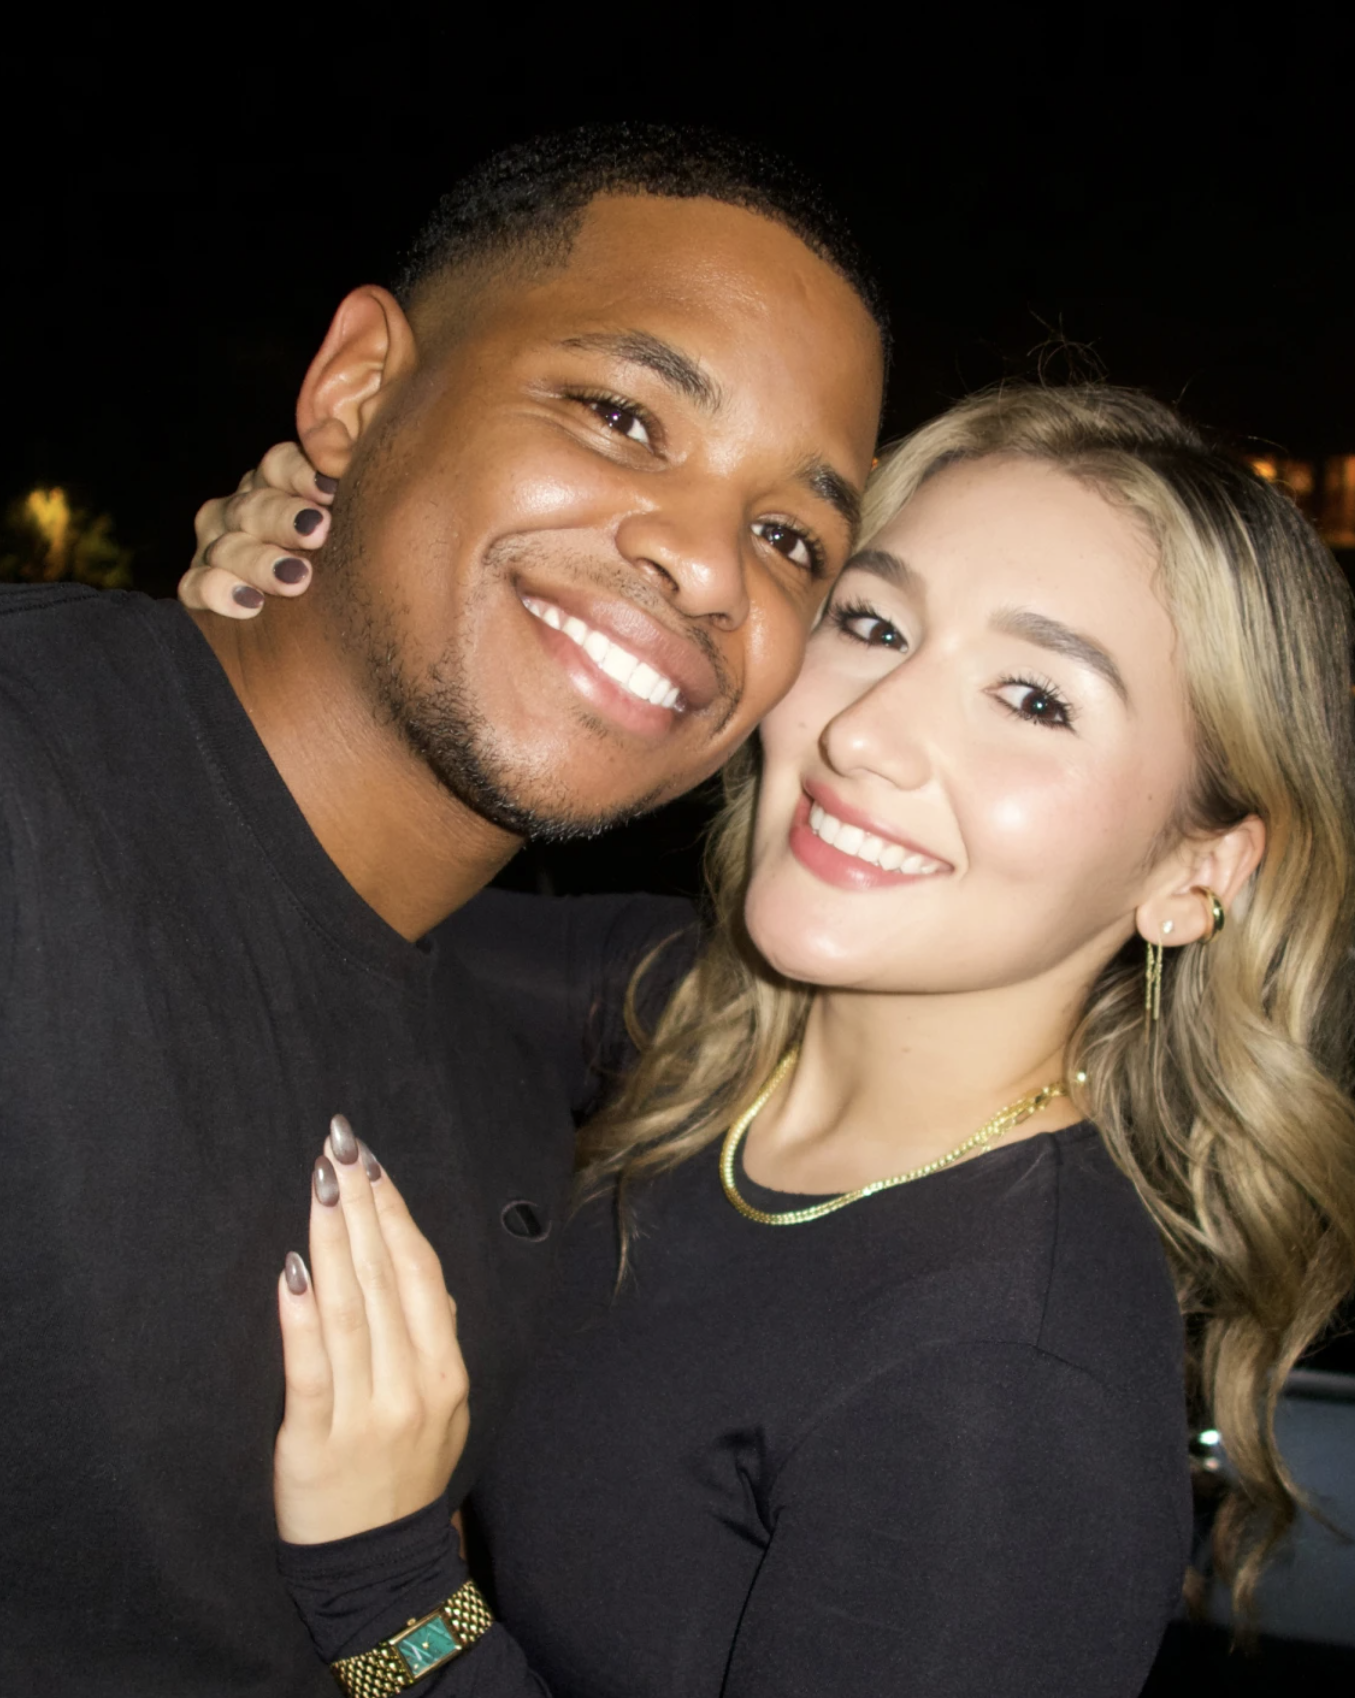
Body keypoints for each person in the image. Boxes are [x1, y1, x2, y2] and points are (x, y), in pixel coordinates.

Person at [202, 383, 1355, 1695]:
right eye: (872, 624)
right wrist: (272, 633)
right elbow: (291, 885)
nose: (862, 732)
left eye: (1033, 699)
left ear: (1194, 871)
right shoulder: (697, 1019)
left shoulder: (1006, 1386)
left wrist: (385, 1586)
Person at [0, 124, 884, 1696]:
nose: (706, 566)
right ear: (357, 392)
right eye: (623, 415)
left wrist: (408, 1611)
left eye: (789, 539)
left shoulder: (519, 1118)